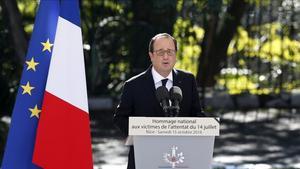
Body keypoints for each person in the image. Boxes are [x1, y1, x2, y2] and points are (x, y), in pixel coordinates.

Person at [113, 33, 205, 169]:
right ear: (151, 55)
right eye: (160, 52)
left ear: (176, 54)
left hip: (180, 157)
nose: (166, 56)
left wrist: (205, 126)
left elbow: (197, 113)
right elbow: (120, 118)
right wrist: (143, 131)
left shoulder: (188, 80)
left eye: (170, 51)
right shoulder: (133, 85)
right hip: (144, 157)